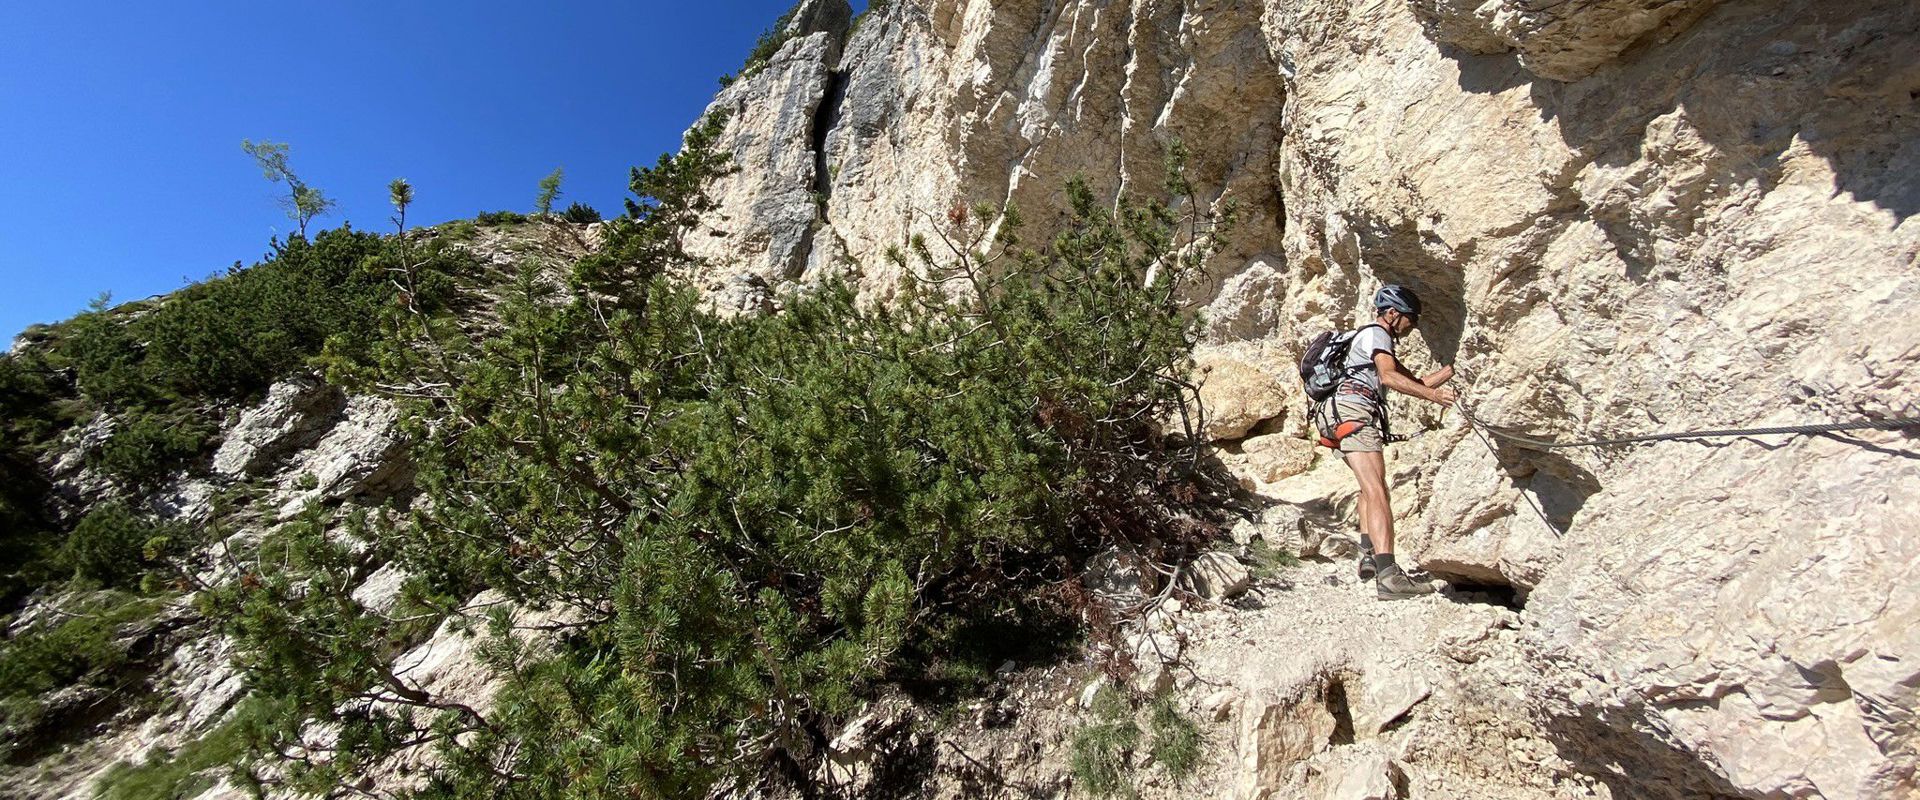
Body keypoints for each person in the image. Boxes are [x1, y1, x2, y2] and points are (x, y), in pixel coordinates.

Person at [1318, 285, 1456, 600]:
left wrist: (1451, 372)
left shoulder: (1368, 340)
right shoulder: (1377, 334)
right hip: (1354, 411)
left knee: (1370, 486)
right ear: (1392, 313)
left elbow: (1412, 382)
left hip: (1339, 412)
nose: (1413, 324)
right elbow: (1389, 378)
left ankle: (1368, 554)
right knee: (1379, 490)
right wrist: (1435, 397)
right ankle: (1389, 575)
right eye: (1410, 317)